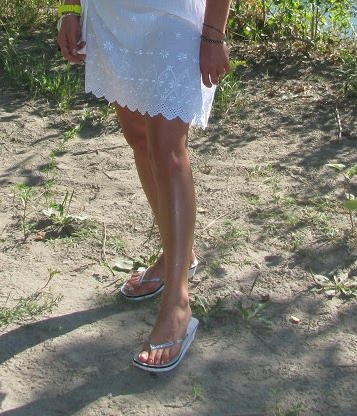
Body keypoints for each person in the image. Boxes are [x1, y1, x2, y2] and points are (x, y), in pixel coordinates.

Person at [58, 0, 231, 372]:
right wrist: (69, 9)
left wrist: (214, 35)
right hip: (112, 15)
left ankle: (178, 304)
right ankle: (177, 257)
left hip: (172, 16)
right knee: (139, 139)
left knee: (168, 152)